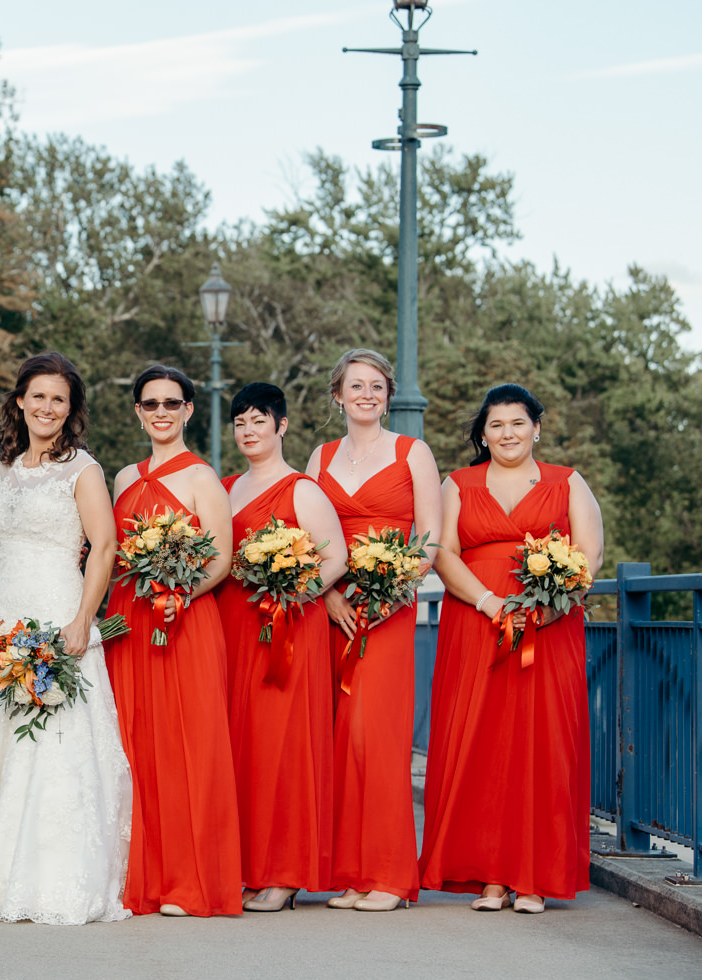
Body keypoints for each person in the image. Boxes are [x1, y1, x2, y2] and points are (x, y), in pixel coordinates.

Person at [0, 352, 132, 925]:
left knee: (55, 741)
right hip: (1, 615)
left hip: (57, 610)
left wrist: (84, 620)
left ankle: (48, 879)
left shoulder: (82, 470)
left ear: (71, 410)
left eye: (58, 399)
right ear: (19, 401)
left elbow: (105, 547)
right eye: (38, 396)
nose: (47, 407)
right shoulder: (3, 466)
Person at [419, 384, 602, 914]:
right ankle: (490, 877)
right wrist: (487, 601)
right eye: (496, 426)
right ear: (483, 433)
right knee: (482, 745)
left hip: (550, 628)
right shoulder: (458, 483)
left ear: (536, 428)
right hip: (477, 624)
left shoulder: (568, 482)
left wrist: (548, 607)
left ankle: (533, 878)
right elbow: (443, 553)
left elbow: (588, 552)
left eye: (518, 423)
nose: (508, 434)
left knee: (542, 744)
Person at [304, 349, 441, 913]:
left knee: (375, 735)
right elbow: (306, 535)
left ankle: (389, 875)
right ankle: (353, 875)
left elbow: (430, 538)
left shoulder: (414, 453)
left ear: (388, 396)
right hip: (331, 609)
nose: (367, 394)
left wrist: (391, 593)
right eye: (355, 386)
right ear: (337, 396)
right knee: (337, 737)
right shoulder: (319, 455)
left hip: (388, 608)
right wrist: (329, 593)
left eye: (377, 386)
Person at [104, 365, 243, 918]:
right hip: (128, 625)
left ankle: (188, 881)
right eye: (150, 404)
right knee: (133, 746)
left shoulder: (202, 478)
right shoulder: (120, 478)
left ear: (188, 409)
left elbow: (223, 560)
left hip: (184, 623)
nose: (161, 412)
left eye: (171, 403)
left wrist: (180, 594)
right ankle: (141, 877)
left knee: (189, 745)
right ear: (138, 412)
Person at [217, 381, 346, 912]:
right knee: (242, 746)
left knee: (283, 744)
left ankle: (285, 872)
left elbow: (335, 556)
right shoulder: (225, 487)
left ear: (281, 426)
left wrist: (293, 594)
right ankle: (248, 865)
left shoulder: (302, 489)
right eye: (240, 423)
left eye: (258, 421)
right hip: (232, 627)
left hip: (287, 630)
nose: (249, 431)